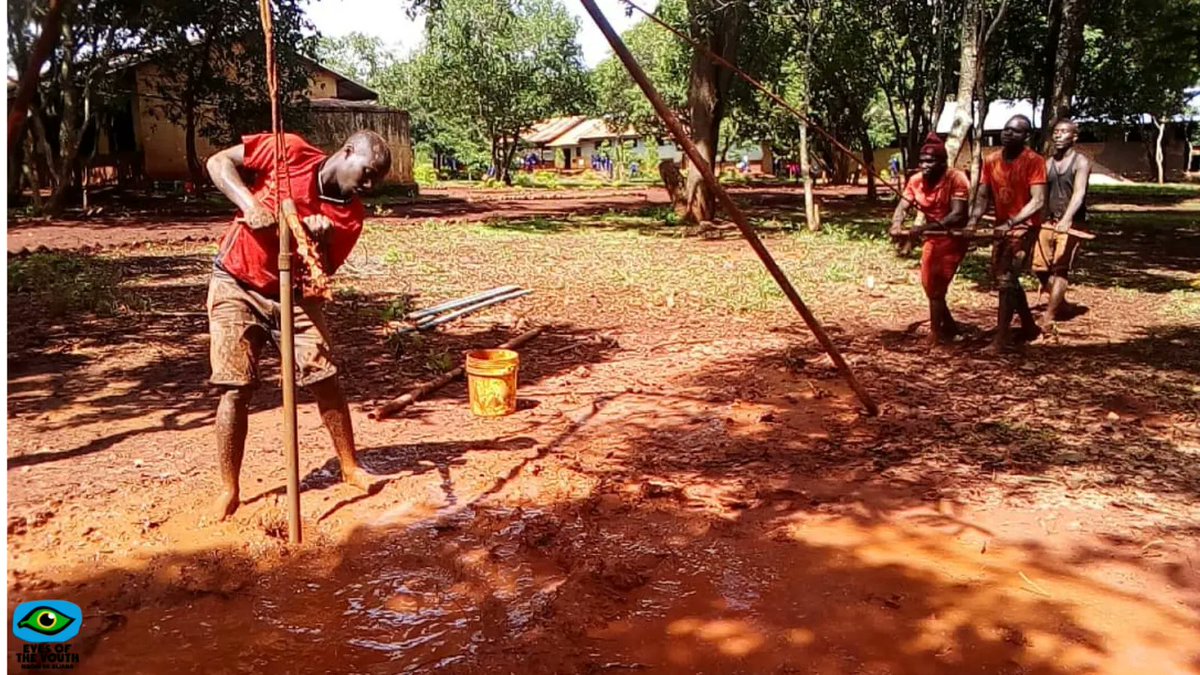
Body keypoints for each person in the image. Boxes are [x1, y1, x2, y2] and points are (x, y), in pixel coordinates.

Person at [204, 129, 392, 520]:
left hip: (295, 295)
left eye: (377, 180)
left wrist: (319, 240)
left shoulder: (350, 216)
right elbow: (217, 162)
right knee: (235, 388)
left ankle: (349, 466)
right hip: (236, 281)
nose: (370, 185)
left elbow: (318, 277)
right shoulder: (288, 150)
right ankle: (229, 488)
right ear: (347, 152)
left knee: (325, 376)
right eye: (368, 172)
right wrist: (249, 202)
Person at [968, 114, 1047, 352]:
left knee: (1006, 281)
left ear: (1026, 136)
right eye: (1005, 129)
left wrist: (1011, 223)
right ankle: (1030, 327)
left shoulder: (1034, 161)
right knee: (1006, 278)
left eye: (1015, 131)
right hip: (1002, 229)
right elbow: (983, 195)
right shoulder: (991, 160)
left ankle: (1000, 340)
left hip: (1023, 228)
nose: (1007, 133)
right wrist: (973, 220)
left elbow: (1038, 200)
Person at [889, 133, 971, 345]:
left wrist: (924, 227)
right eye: (922, 161)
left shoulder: (956, 178)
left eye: (931, 161)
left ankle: (936, 334)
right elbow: (903, 206)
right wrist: (896, 224)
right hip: (932, 238)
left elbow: (958, 215)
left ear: (943, 163)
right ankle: (951, 329)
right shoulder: (915, 181)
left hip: (953, 237)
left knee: (936, 285)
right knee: (930, 286)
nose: (925, 165)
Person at [1035, 118, 1090, 328]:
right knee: (1039, 268)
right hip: (1048, 223)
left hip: (1072, 223)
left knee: (1060, 268)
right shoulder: (1047, 163)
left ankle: (1049, 315)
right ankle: (1061, 302)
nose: (1058, 135)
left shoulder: (1080, 162)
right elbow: (1041, 194)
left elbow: (1079, 193)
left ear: (1074, 137)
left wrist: (1067, 219)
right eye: (1056, 131)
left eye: (1064, 132)